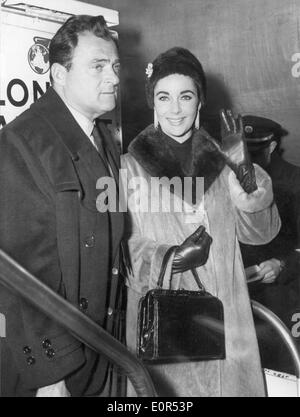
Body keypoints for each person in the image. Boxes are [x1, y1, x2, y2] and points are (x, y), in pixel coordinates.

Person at [121, 47, 281, 397]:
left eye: (185, 96)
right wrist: (169, 258)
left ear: (199, 102)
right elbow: (118, 248)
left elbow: (261, 234)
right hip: (164, 327)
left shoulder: (225, 164)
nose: (175, 109)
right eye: (164, 97)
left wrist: (247, 179)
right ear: (153, 103)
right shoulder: (127, 169)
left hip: (227, 323)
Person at [0, 15, 125, 397]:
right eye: (99, 66)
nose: (115, 77)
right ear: (58, 73)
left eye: (116, 66)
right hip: (55, 369)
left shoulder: (104, 139)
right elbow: (20, 273)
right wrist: (52, 378)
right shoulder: (21, 143)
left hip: (99, 351)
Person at [239, 116, 300, 372]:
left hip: (286, 297)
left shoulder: (295, 182)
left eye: (254, 150)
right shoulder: (231, 181)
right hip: (244, 297)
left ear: (272, 147)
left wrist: (281, 264)